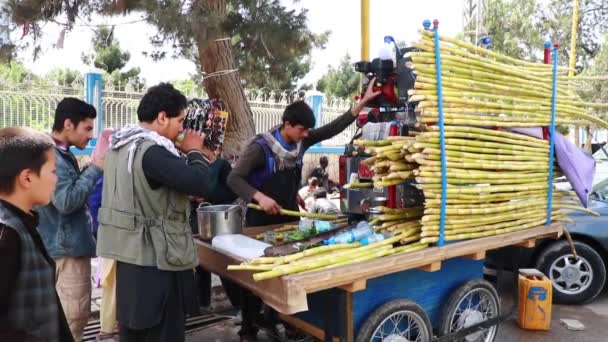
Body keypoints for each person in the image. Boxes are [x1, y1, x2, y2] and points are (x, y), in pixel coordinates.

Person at [226, 79, 379, 340]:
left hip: (287, 218)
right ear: (287, 124)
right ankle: (248, 328)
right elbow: (234, 179)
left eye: (308, 130)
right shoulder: (260, 148)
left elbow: (330, 130)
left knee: (284, 274)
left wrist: (358, 107)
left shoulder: (301, 142)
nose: (306, 134)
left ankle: (278, 319)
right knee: (256, 277)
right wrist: (259, 197)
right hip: (259, 219)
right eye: (301, 129)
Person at [96, 83, 234, 342]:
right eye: (180, 120)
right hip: (157, 261)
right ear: (162, 117)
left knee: (136, 331)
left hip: (130, 255)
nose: (182, 128)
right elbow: (200, 183)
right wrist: (194, 150)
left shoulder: (122, 144)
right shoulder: (152, 151)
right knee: (162, 331)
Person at [37, 98, 105, 342]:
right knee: (73, 319)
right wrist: (96, 168)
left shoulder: (56, 152)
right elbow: (66, 201)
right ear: (68, 124)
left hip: (59, 247)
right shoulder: (52, 155)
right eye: (87, 128)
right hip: (67, 252)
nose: (91, 136)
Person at [0, 127, 74, 342]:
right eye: (53, 171)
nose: (56, 179)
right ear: (27, 178)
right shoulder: (7, 234)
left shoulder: (23, 221)